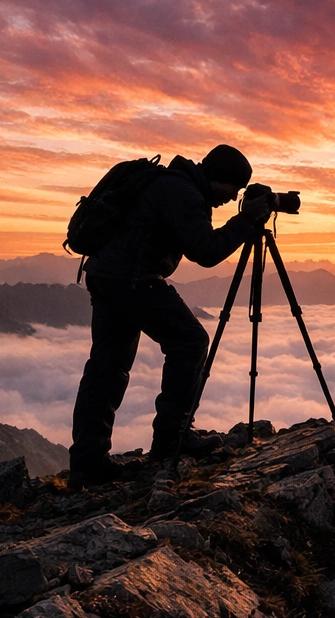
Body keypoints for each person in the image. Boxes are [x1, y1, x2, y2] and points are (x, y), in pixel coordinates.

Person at [69, 144, 272, 487]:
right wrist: (245, 221)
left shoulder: (172, 183)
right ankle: (171, 438)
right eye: (232, 190)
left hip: (106, 275)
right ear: (217, 179)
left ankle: (88, 463)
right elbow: (205, 252)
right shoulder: (183, 193)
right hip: (132, 279)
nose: (231, 198)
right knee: (190, 342)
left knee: (107, 367)